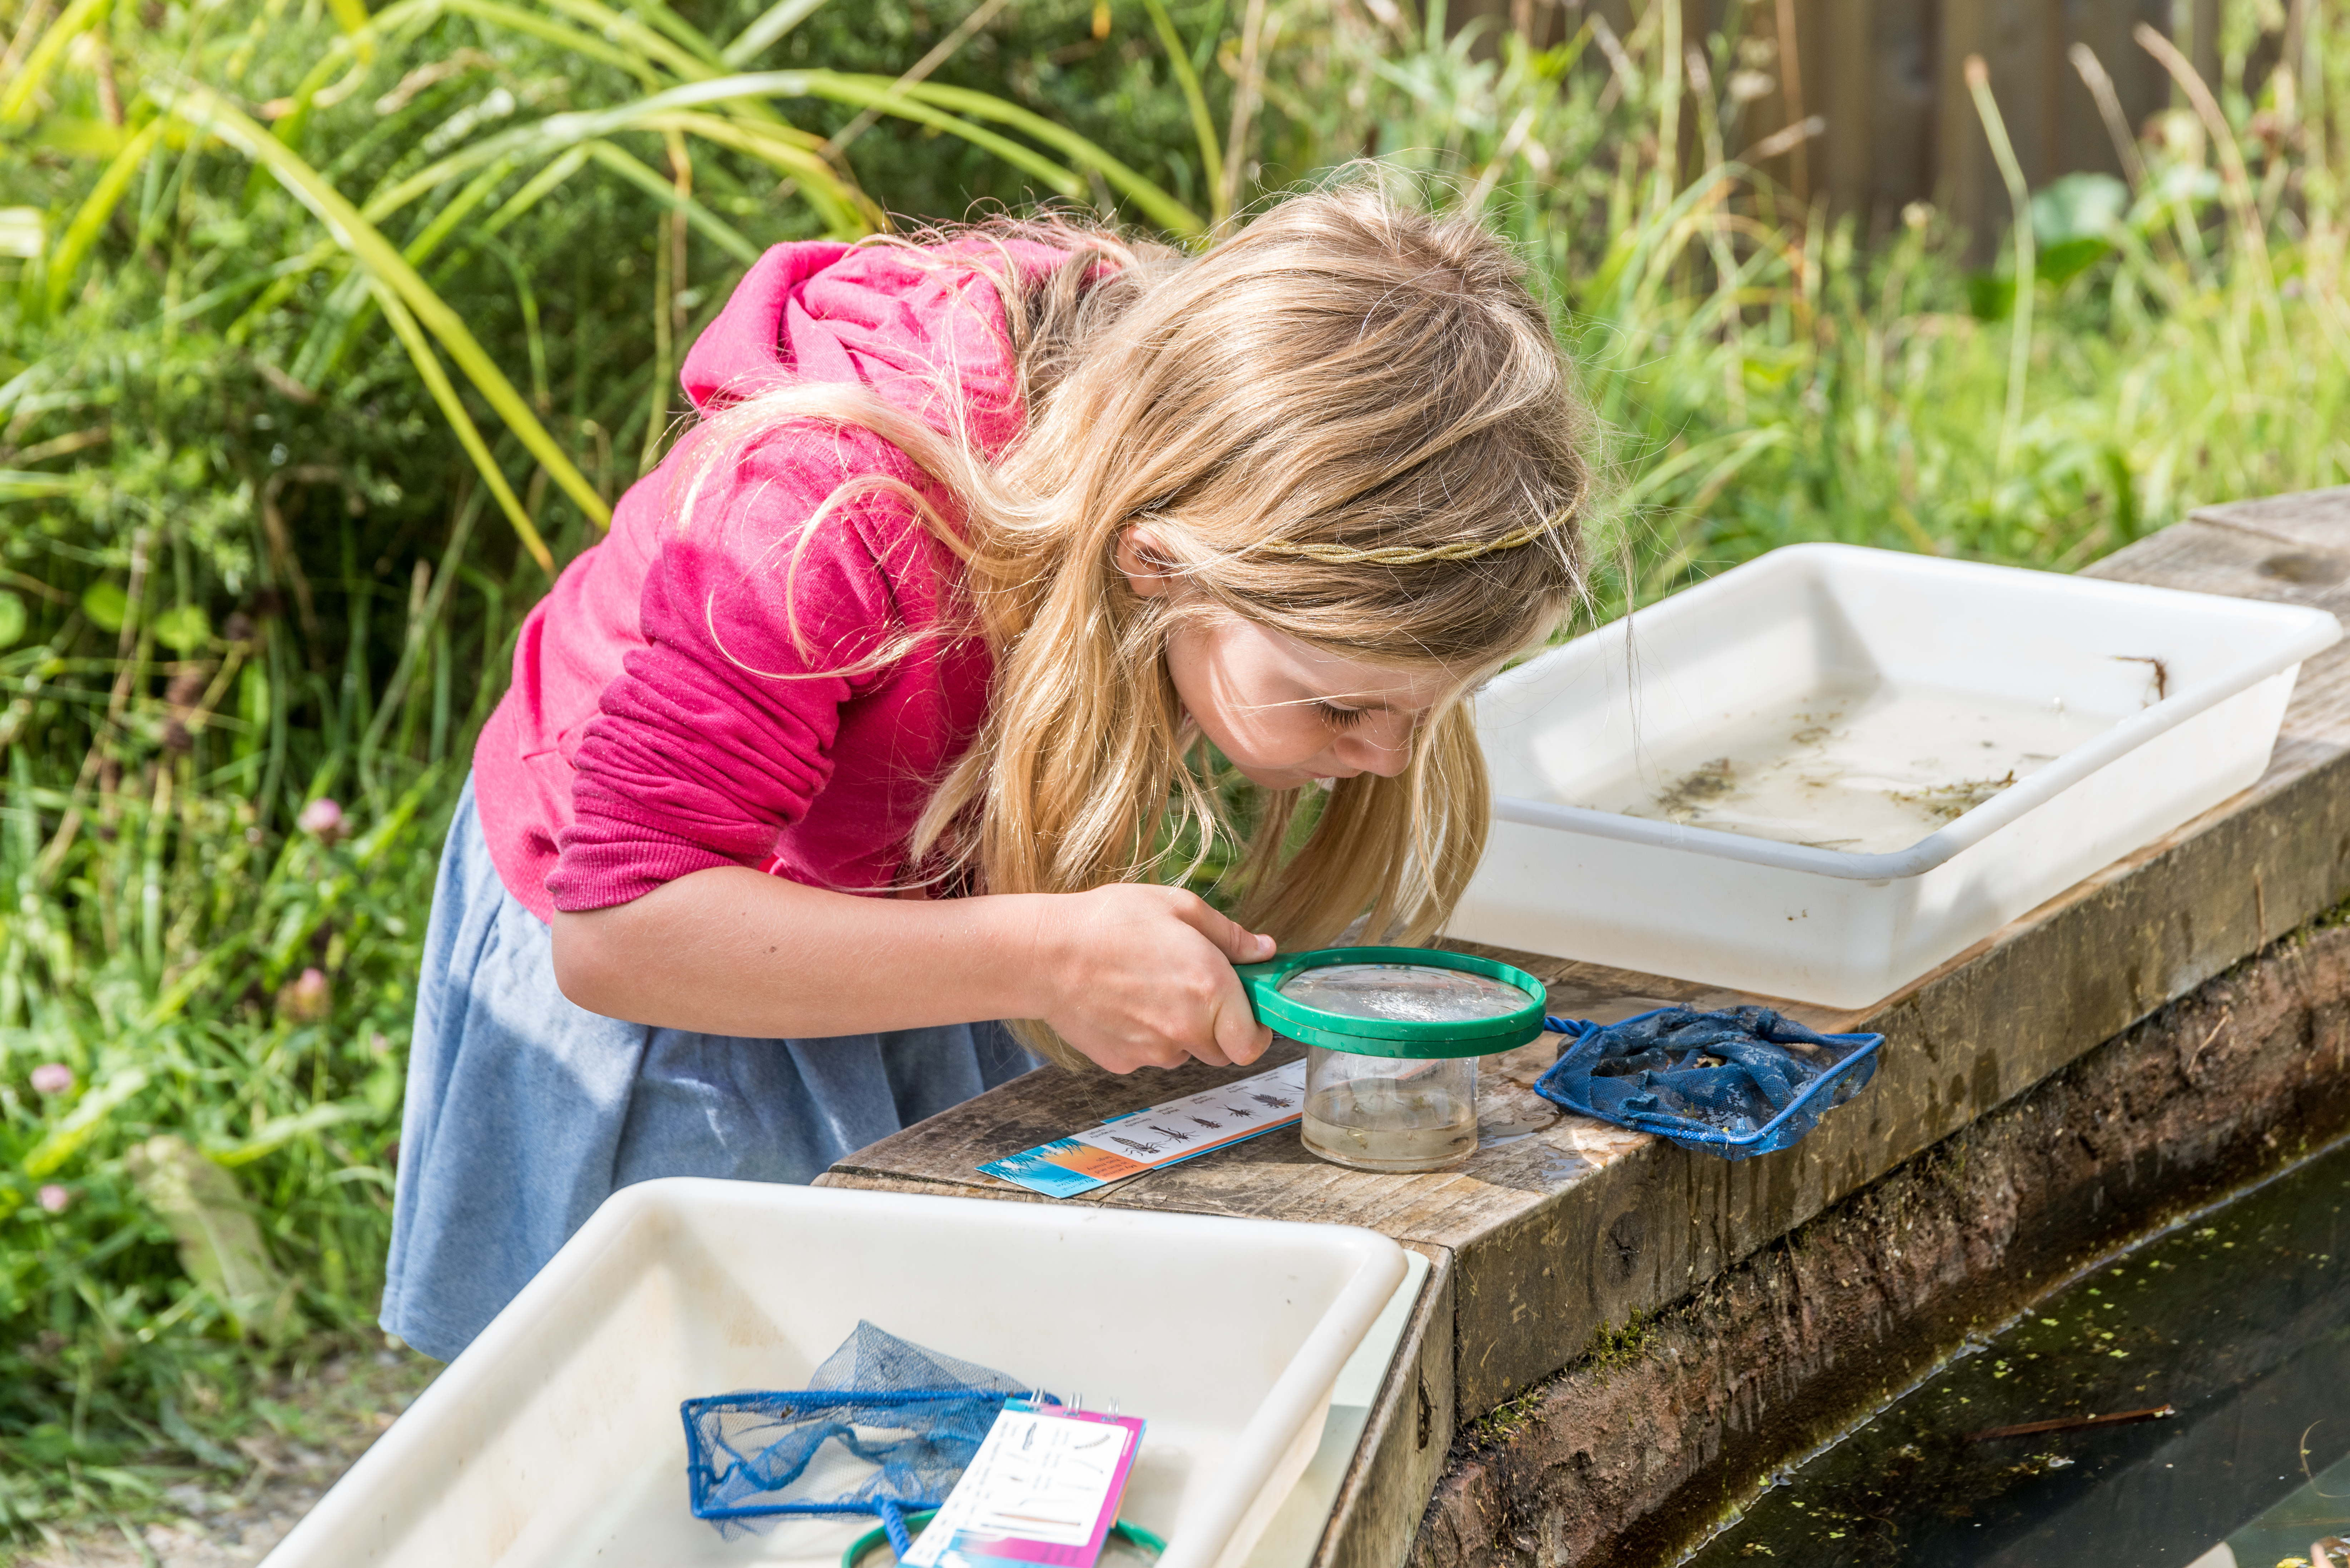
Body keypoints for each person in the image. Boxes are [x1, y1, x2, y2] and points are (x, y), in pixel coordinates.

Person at [381, 183, 1597, 1360]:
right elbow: (620, 934)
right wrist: (1049, 955)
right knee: (685, 1396)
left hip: (913, 904)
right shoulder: (821, 522)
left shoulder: (1185, 427)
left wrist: (1035, 947)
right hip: (686, 967)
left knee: (932, 1358)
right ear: (1157, 564)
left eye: (1433, 708)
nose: (1386, 759)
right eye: (1345, 705)